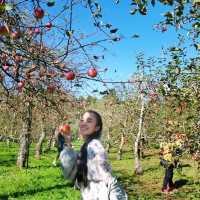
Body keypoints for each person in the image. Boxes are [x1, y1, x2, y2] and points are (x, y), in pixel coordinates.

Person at [76, 110, 128, 200]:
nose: (83, 123)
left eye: (89, 121)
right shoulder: (86, 146)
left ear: (97, 128)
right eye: (82, 120)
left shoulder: (94, 146)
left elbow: (105, 177)